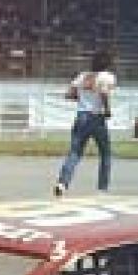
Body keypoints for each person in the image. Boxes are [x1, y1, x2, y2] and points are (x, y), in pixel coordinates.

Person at [54, 49, 115, 196]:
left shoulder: (82, 76)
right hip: (96, 117)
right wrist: (107, 110)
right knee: (105, 153)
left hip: (81, 116)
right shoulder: (107, 76)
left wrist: (82, 98)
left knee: (75, 152)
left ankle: (63, 182)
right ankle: (102, 188)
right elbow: (104, 93)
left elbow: (69, 94)